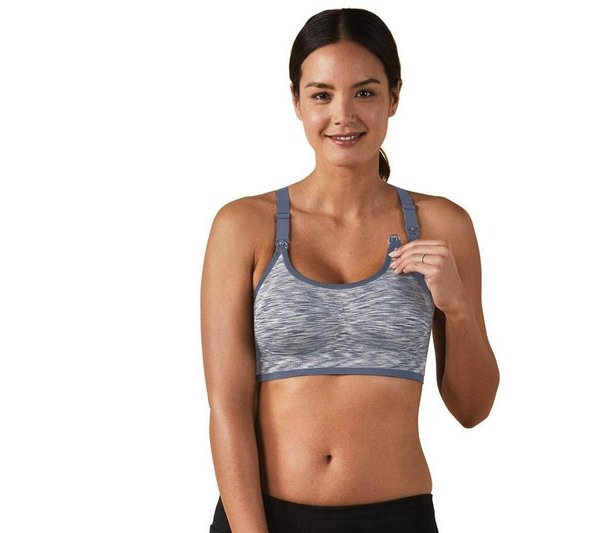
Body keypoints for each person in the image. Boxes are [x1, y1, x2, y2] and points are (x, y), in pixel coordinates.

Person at [201, 8, 499, 532]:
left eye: (364, 92)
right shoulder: (244, 226)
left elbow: (472, 409)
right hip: (264, 518)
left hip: (397, 519)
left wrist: (457, 308)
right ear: (296, 101)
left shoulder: (442, 225)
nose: (344, 115)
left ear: (394, 97)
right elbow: (227, 407)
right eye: (322, 95)